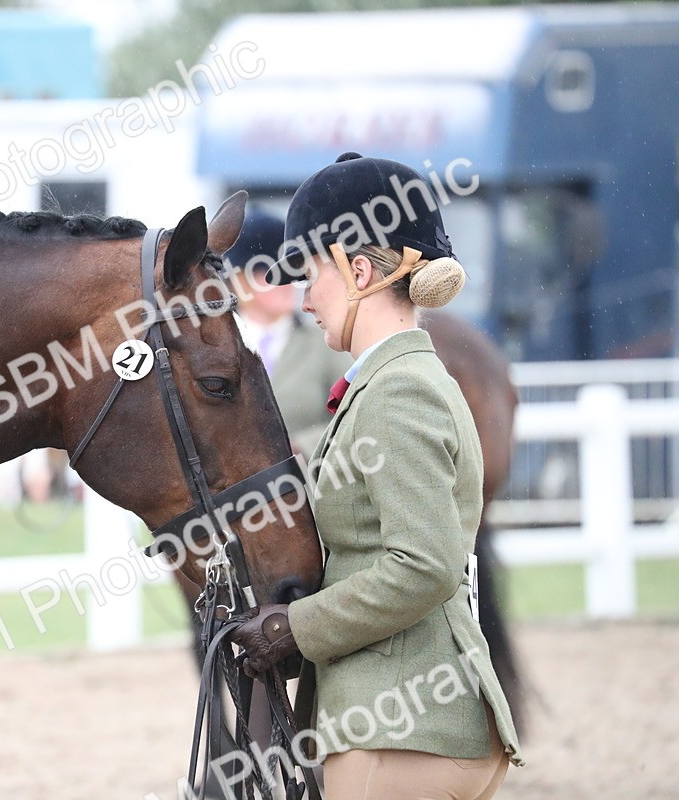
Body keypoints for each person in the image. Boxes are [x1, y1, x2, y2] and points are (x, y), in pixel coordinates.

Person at [231, 153, 523, 799]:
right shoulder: (388, 382)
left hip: (400, 734)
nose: (304, 297)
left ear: (359, 272)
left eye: (311, 275)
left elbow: (423, 564)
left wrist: (293, 628)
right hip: (396, 726)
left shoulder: (397, 394)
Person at [227, 211, 353, 457]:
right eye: (268, 272)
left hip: (304, 485)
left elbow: (356, 415)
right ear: (238, 280)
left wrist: (298, 448)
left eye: (293, 273)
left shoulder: (326, 343)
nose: (285, 283)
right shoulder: (214, 345)